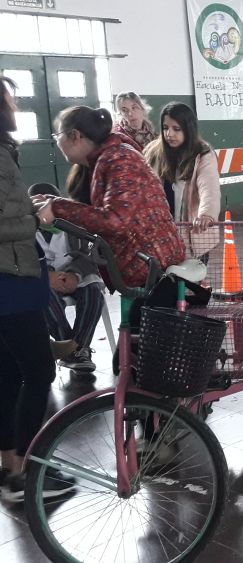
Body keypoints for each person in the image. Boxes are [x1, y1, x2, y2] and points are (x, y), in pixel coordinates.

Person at [0, 76, 75, 502]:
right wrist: (35, 219)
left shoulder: (5, 151)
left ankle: (9, 465)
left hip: (10, 275)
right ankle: (27, 473)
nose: (14, 105)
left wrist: (27, 210)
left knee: (8, 372)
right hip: (9, 280)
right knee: (39, 370)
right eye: (9, 99)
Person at [32, 106, 185, 290]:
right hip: (143, 261)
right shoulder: (105, 158)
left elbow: (116, 220)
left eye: (58, 135)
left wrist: (57, 207)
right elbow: (100, 213)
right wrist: (53, 202)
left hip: (151, 263)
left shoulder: (119, 158)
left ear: (75, 135)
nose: (57, 141)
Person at [28, 183, 103, 374]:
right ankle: (74, 351)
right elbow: (22, 260)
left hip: (75, 275)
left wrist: (74, 275)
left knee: (94, 292)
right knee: (43, 295)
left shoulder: (75, 225)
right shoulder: (23, 230)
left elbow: (87, 255)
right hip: (41, 278)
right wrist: (47, 275)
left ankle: (75, 351)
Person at [144, 101, 221, 257]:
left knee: (192, 272)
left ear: (188, 128)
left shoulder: (203, 154)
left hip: (192, 236)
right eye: (165, 128)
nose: (169, 134)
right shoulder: (153, 151)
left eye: (176, 129)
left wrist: (206, 214)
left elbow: (209, 188)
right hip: (159, 234)